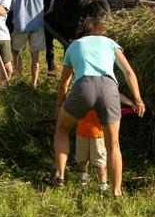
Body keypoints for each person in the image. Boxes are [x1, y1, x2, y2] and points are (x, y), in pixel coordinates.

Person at [53, 18, 146, 197]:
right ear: (101, 31)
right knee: (113, 144)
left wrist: (59, 106)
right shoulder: (111, 43)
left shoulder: (74, 45)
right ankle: (117, 191)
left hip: (83, 87)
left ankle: (60, 174)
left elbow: (64, 83)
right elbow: (128, 72)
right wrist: (138, 99)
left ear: (82, 31)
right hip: (110, 89)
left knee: (62, 128)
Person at [11, 0, 77, 88]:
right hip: (37, 25)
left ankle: (19, 78)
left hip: (20, 24)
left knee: (16, 52)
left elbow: (11, 6)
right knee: (35, 57)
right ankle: (34, 83)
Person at [76, 93, 136, 192]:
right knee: (82, 158)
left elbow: (116, 94)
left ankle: (103, 184)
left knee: (100, 162)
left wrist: (132, 104)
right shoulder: (81, 90)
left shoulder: (103, 91)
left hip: (98, 135)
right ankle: (83, 176)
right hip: (81, 133)